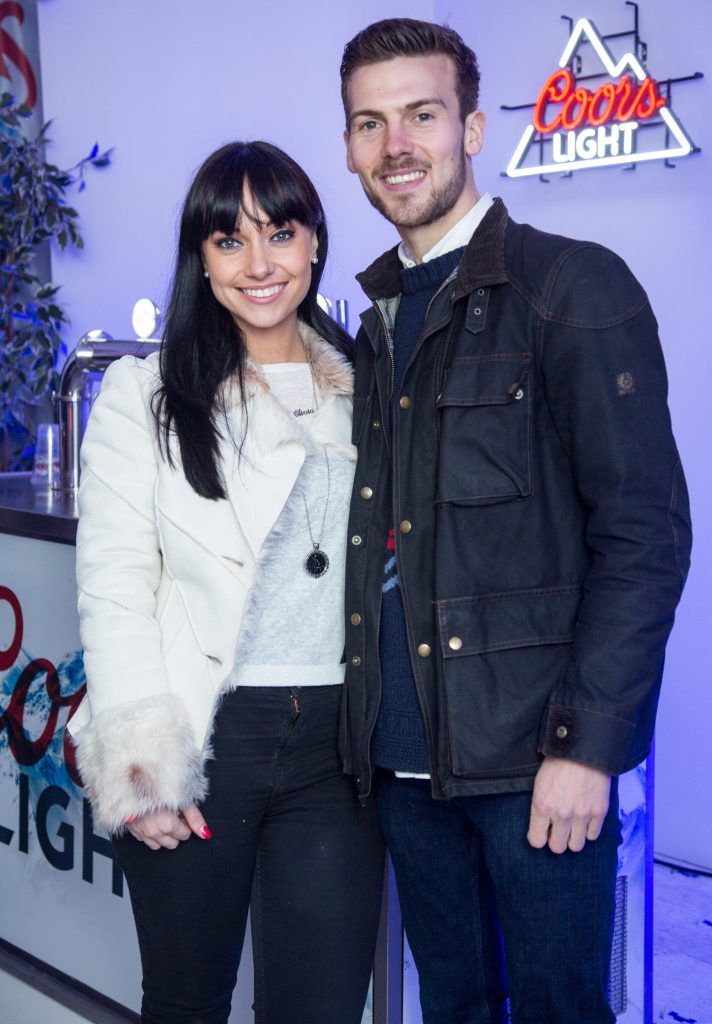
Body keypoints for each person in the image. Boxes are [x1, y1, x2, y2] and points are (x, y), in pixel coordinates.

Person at [338, 18, 691, 1024]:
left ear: (474, 127)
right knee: (451, 1004)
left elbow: (644, 532)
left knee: (557, 1010)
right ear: (351, 145)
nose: (395, 143)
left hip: (533, 763)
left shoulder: (568, 286)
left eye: (420, 114)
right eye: (370, 122)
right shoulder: (371, 320)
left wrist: (584, 748)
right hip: (404, 765)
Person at [68, 140, 385, 1024]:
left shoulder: (366, 384)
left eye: (279, 233)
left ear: (314, 242)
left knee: (320, 1010)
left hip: (336, 744)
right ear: (200, 261)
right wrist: (141, 765)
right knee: (187, 1003)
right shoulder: (149, 394)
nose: (259, 264)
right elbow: (115, 581)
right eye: (229, 241)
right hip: (206, 736)